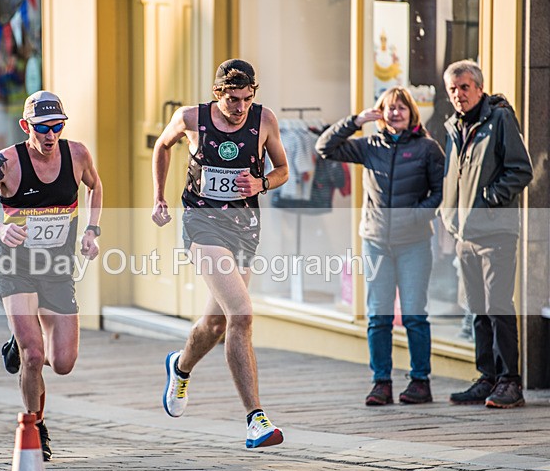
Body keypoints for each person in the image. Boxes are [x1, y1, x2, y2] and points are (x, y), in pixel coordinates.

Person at [151, 59, 289, 449]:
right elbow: (162, 145)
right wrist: (159, 197)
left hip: (244, 229)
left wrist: (261, 183)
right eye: (232, 99)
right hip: (202, 223)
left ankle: (180, 367)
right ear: (217, 94)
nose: (240, 107)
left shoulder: (265, 120)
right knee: (241, 314)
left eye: (247, 98)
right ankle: (256, 419)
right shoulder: (191, 118)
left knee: (216, 324)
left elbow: (282, 170)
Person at [0, 90, 103, 459]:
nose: (50, 135)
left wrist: (92, 230)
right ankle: (35, 425)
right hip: (17, 268)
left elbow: (95, 186)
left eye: (57, 126)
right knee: (33, 354)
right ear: (26, 127)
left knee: (63, 363)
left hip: (57, 269)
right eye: (42, 128)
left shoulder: (77, 155)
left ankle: (19, 344)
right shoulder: (6, 162)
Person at [316, 86, 444, 406]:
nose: (395, 112)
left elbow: (441, 191)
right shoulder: (369, 145)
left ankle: (420, 382)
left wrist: (416, 215)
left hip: (414, 243)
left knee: (414, 314)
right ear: (381, 113)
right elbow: (324, 147)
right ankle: (381, 383)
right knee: (378, 316)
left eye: (401, 107)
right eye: (389, 107)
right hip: (376, 243)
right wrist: (355, 121)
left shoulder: (427, 148)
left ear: (411, 113)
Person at [439, 60, 533, 408]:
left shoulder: (499, 119)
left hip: (496, 232)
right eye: (452, 89)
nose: (458, 94)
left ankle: (510, 382)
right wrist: (448, 215)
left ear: (479, 88)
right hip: (464, 233)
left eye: (464, 87)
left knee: (498, 306)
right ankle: (487, 377)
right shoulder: (454, 125)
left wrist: (489, 199)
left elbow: (521, 170)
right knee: (477, 307)